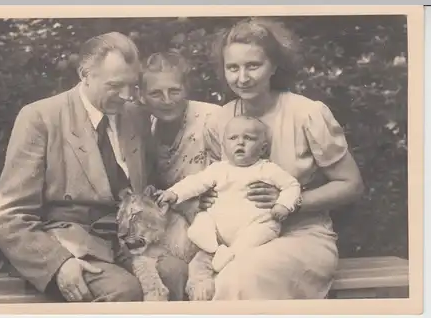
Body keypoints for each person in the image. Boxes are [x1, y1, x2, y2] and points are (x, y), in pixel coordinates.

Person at [0, 32, 188, 302]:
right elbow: (8, 215)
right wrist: (58, 263)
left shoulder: (135, 117)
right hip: (69, 244)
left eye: (133, 85)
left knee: (176, 273)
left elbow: (151, 189)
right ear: (85, 74)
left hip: (130, 243)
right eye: (116, 85)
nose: (127, 95)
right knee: (124, 291)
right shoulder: (41, 118)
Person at [199, 17, 364, 300]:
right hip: (236, 237)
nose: (242, 77)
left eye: (253, 65)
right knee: (198, 277)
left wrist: (290, 202)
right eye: (233, 68)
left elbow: (351, 185)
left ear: (274, 66)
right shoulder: (219, 120)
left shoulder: (306, 113)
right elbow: (214, 180)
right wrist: (207, 198)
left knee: (240, 275)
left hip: (301, 236)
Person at [157, 116, 301, 289]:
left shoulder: (267, 169)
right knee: (200, 224)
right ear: (224, 146)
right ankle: (215, 248)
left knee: (261, 233)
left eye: (248, 138)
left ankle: (230, 254)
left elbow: (291, 185)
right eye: (233, 138)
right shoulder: (218, 169)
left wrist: (283, 204)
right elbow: (195, 182)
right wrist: (174, 193)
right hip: (220, 228)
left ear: (262, 148)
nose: (240, 143)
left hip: (254, 224)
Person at [137, 50, 221, 224]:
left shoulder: (212, 118)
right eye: (156, 93)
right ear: (141, 96)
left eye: (174, 91)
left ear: (186, 89)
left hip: (217, 218)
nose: (167, 101)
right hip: (175, 221)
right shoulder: (146, 129)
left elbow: (240, 170)